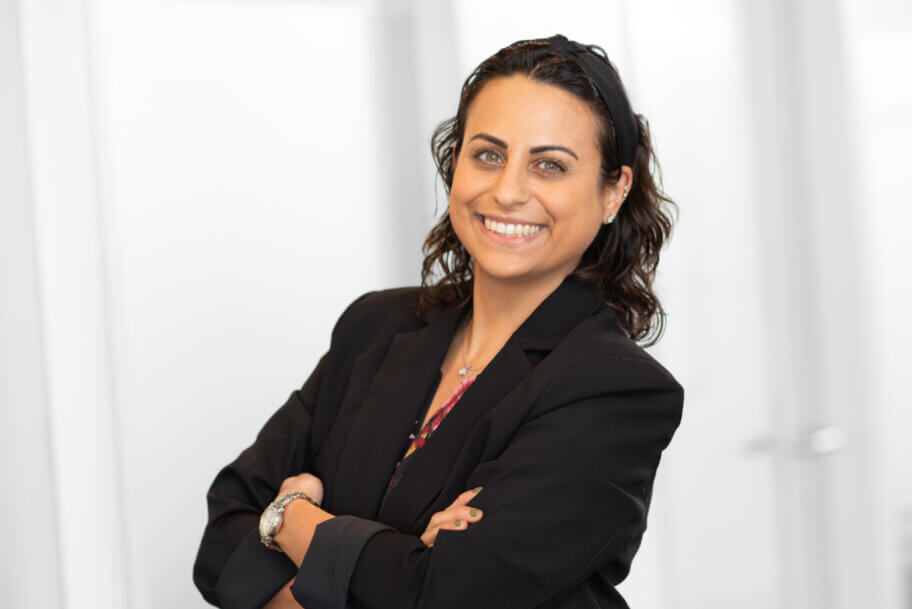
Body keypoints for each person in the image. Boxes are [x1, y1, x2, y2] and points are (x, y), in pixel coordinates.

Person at [193, 33, 684, 609]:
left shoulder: (614, 389)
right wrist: (392, 561)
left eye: (549, 165)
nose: (507, 191)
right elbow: (221, 538)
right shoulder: (374, 327)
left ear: (614, 192)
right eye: (489, 154)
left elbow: (446, 596)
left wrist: (290, 518)